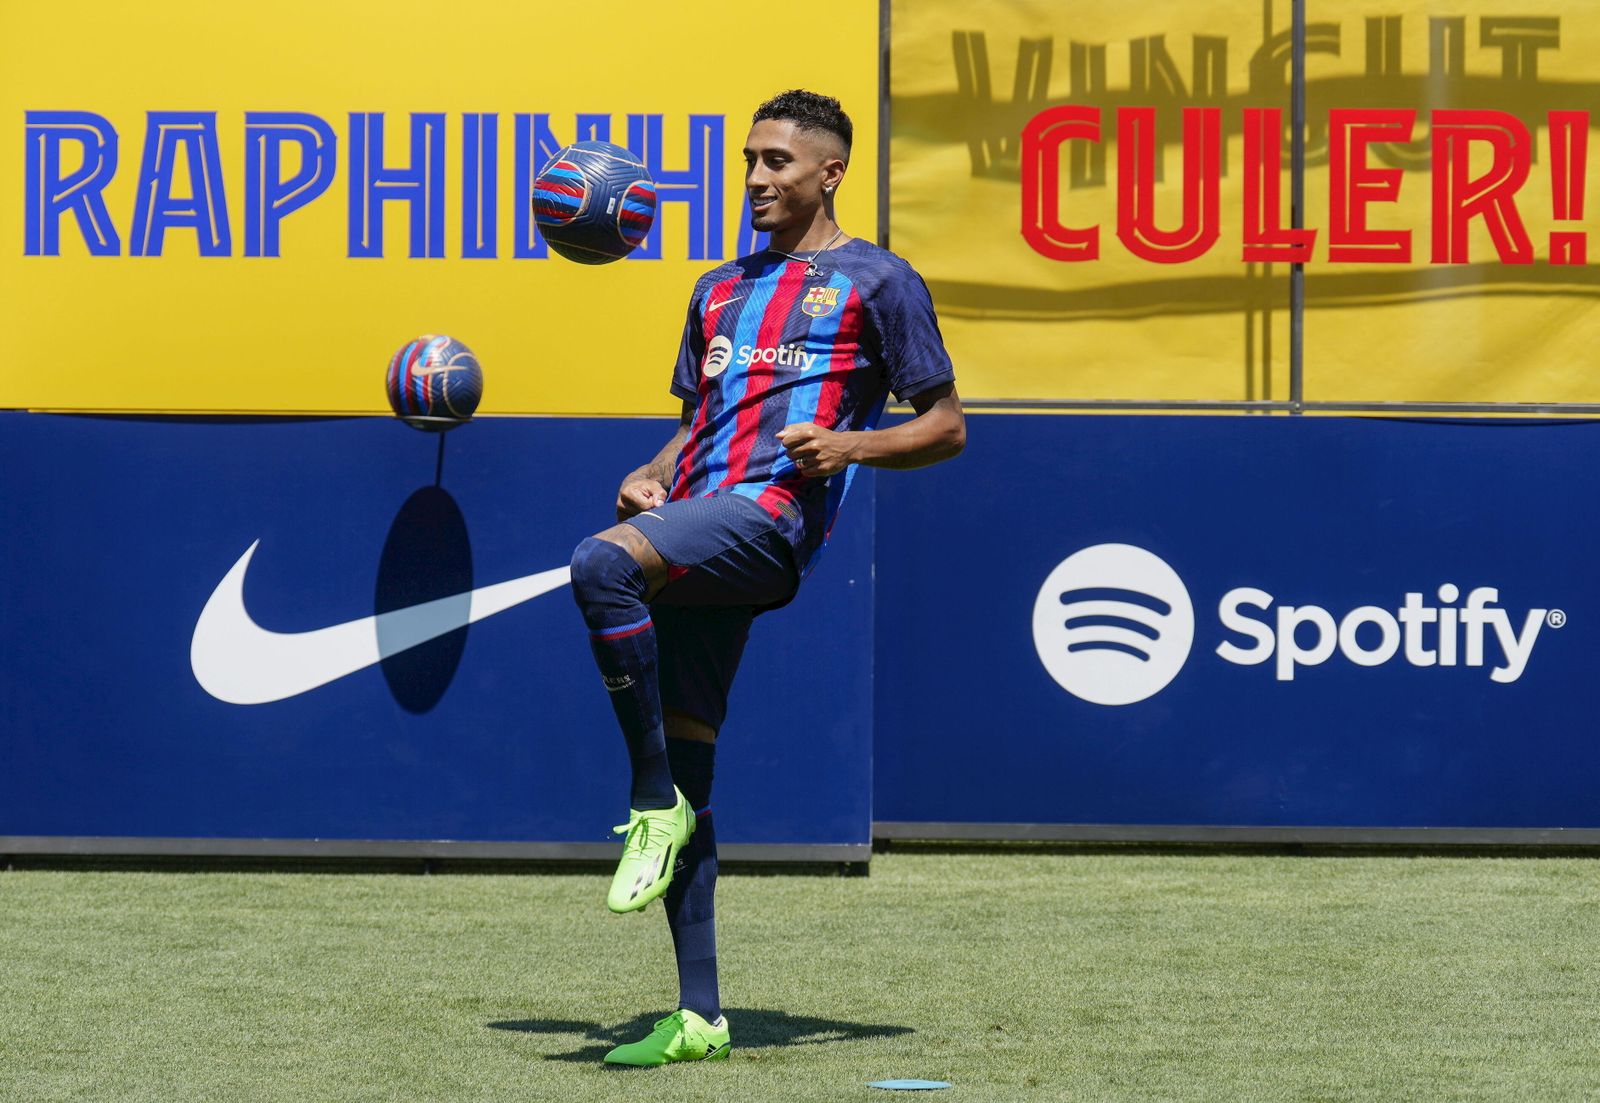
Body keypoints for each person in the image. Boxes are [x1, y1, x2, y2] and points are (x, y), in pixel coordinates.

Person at [567, 89, 965, 1067]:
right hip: (701, 517)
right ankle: (697, 1010)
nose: (754, 178)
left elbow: (946, 424)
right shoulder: (716, 288)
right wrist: (655, 468)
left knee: (597, 566)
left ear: (830, 171)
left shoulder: (878, 280)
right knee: (696, 759)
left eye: (777, 162)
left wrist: (849, 444)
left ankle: (645, 797)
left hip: (770, 522)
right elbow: (700, 416)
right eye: (750, 159)